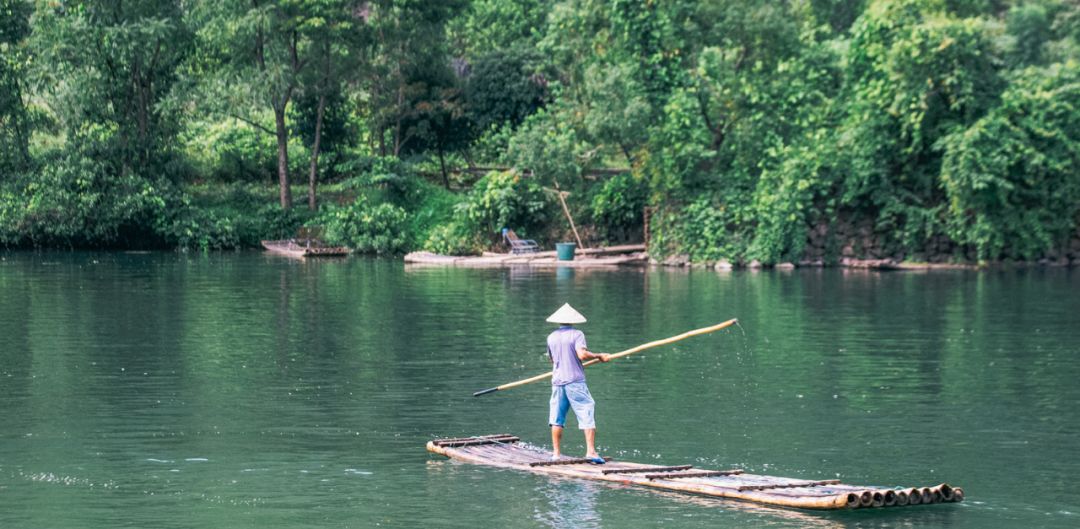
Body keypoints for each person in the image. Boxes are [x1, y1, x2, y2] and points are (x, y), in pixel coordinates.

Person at [545, 303, 611, 463]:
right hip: (575, 381)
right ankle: (591, 452)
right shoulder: (577, 334)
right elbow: (582, 355)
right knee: (586, 410)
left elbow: (552, 360)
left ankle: (556, 454)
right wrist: (599, 356)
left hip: (557, 382)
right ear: (573, 320)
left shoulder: (551, 337)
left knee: (556, 418)